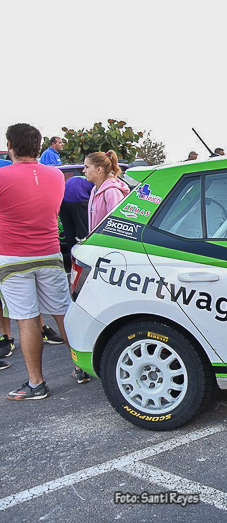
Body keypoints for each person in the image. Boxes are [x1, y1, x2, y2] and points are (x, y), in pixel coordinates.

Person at [0, 124, 77, 399]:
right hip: (50, 254)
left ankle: (36, 383)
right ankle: (81, 368)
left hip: (13, 259)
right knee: (64, 314)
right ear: (38, 145)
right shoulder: (56, 176)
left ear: (10, 144)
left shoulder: (1, 176)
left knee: (27, 319)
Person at [84, 151, 131, 231]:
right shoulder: (94, 189)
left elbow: (116, 224)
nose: (84, 170)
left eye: (87, 167)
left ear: (98, 169)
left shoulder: (112, 192)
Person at [59, 175, 95, 271]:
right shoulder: (94, 182)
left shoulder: (75, 179)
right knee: (84, 232)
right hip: (79, 200)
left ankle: (72, 263)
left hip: (63, 202)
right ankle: (84, 262)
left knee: (69, 233)